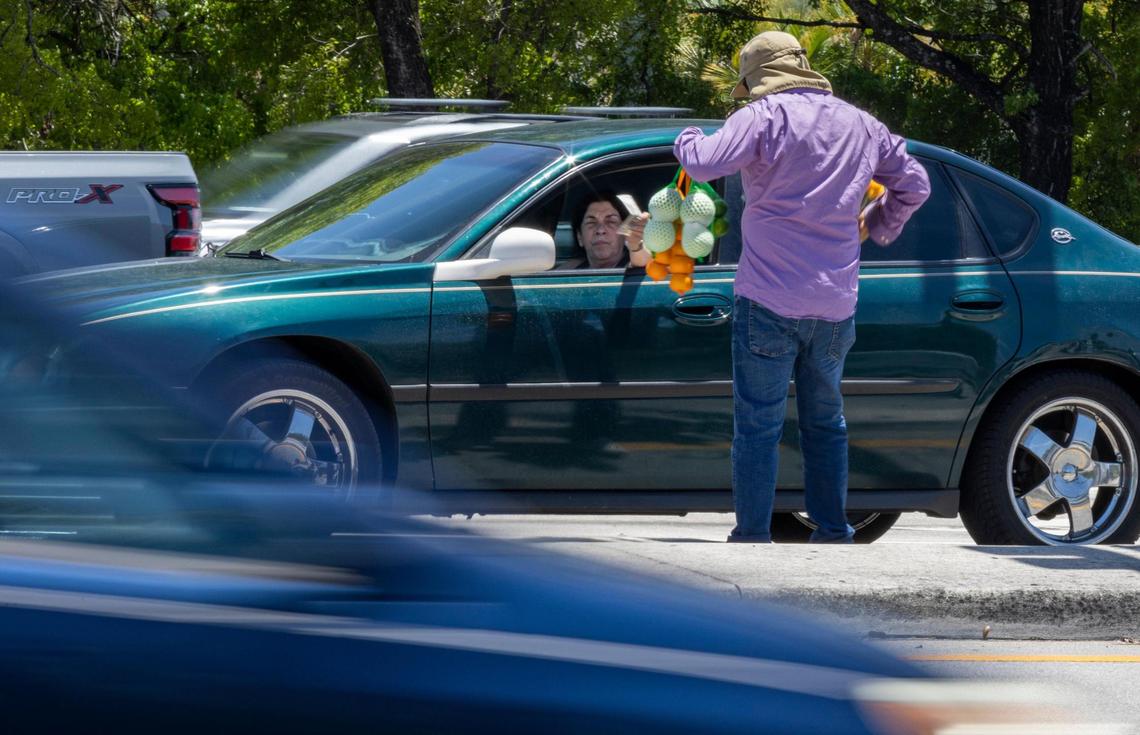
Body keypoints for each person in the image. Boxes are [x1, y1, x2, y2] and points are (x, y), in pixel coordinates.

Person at [674, 31, 930, 543]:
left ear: (758, 80)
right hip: (835, 306)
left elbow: (701, 163)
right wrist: (877, 220)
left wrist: (685, 138)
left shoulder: (763, 117)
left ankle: (752, 535)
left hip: (768, 299)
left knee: (758, 427)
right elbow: (915, 184)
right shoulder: (862, 123)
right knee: (826, 422)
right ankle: (834, 530)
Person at [571, 191, 651, 269]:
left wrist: (635, 244)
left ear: (625, 233)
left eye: (611, 221)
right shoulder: (568, 271)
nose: (600, 230)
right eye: (591, 222)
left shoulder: (634, 268)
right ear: (579, 237)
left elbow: (642, 264)